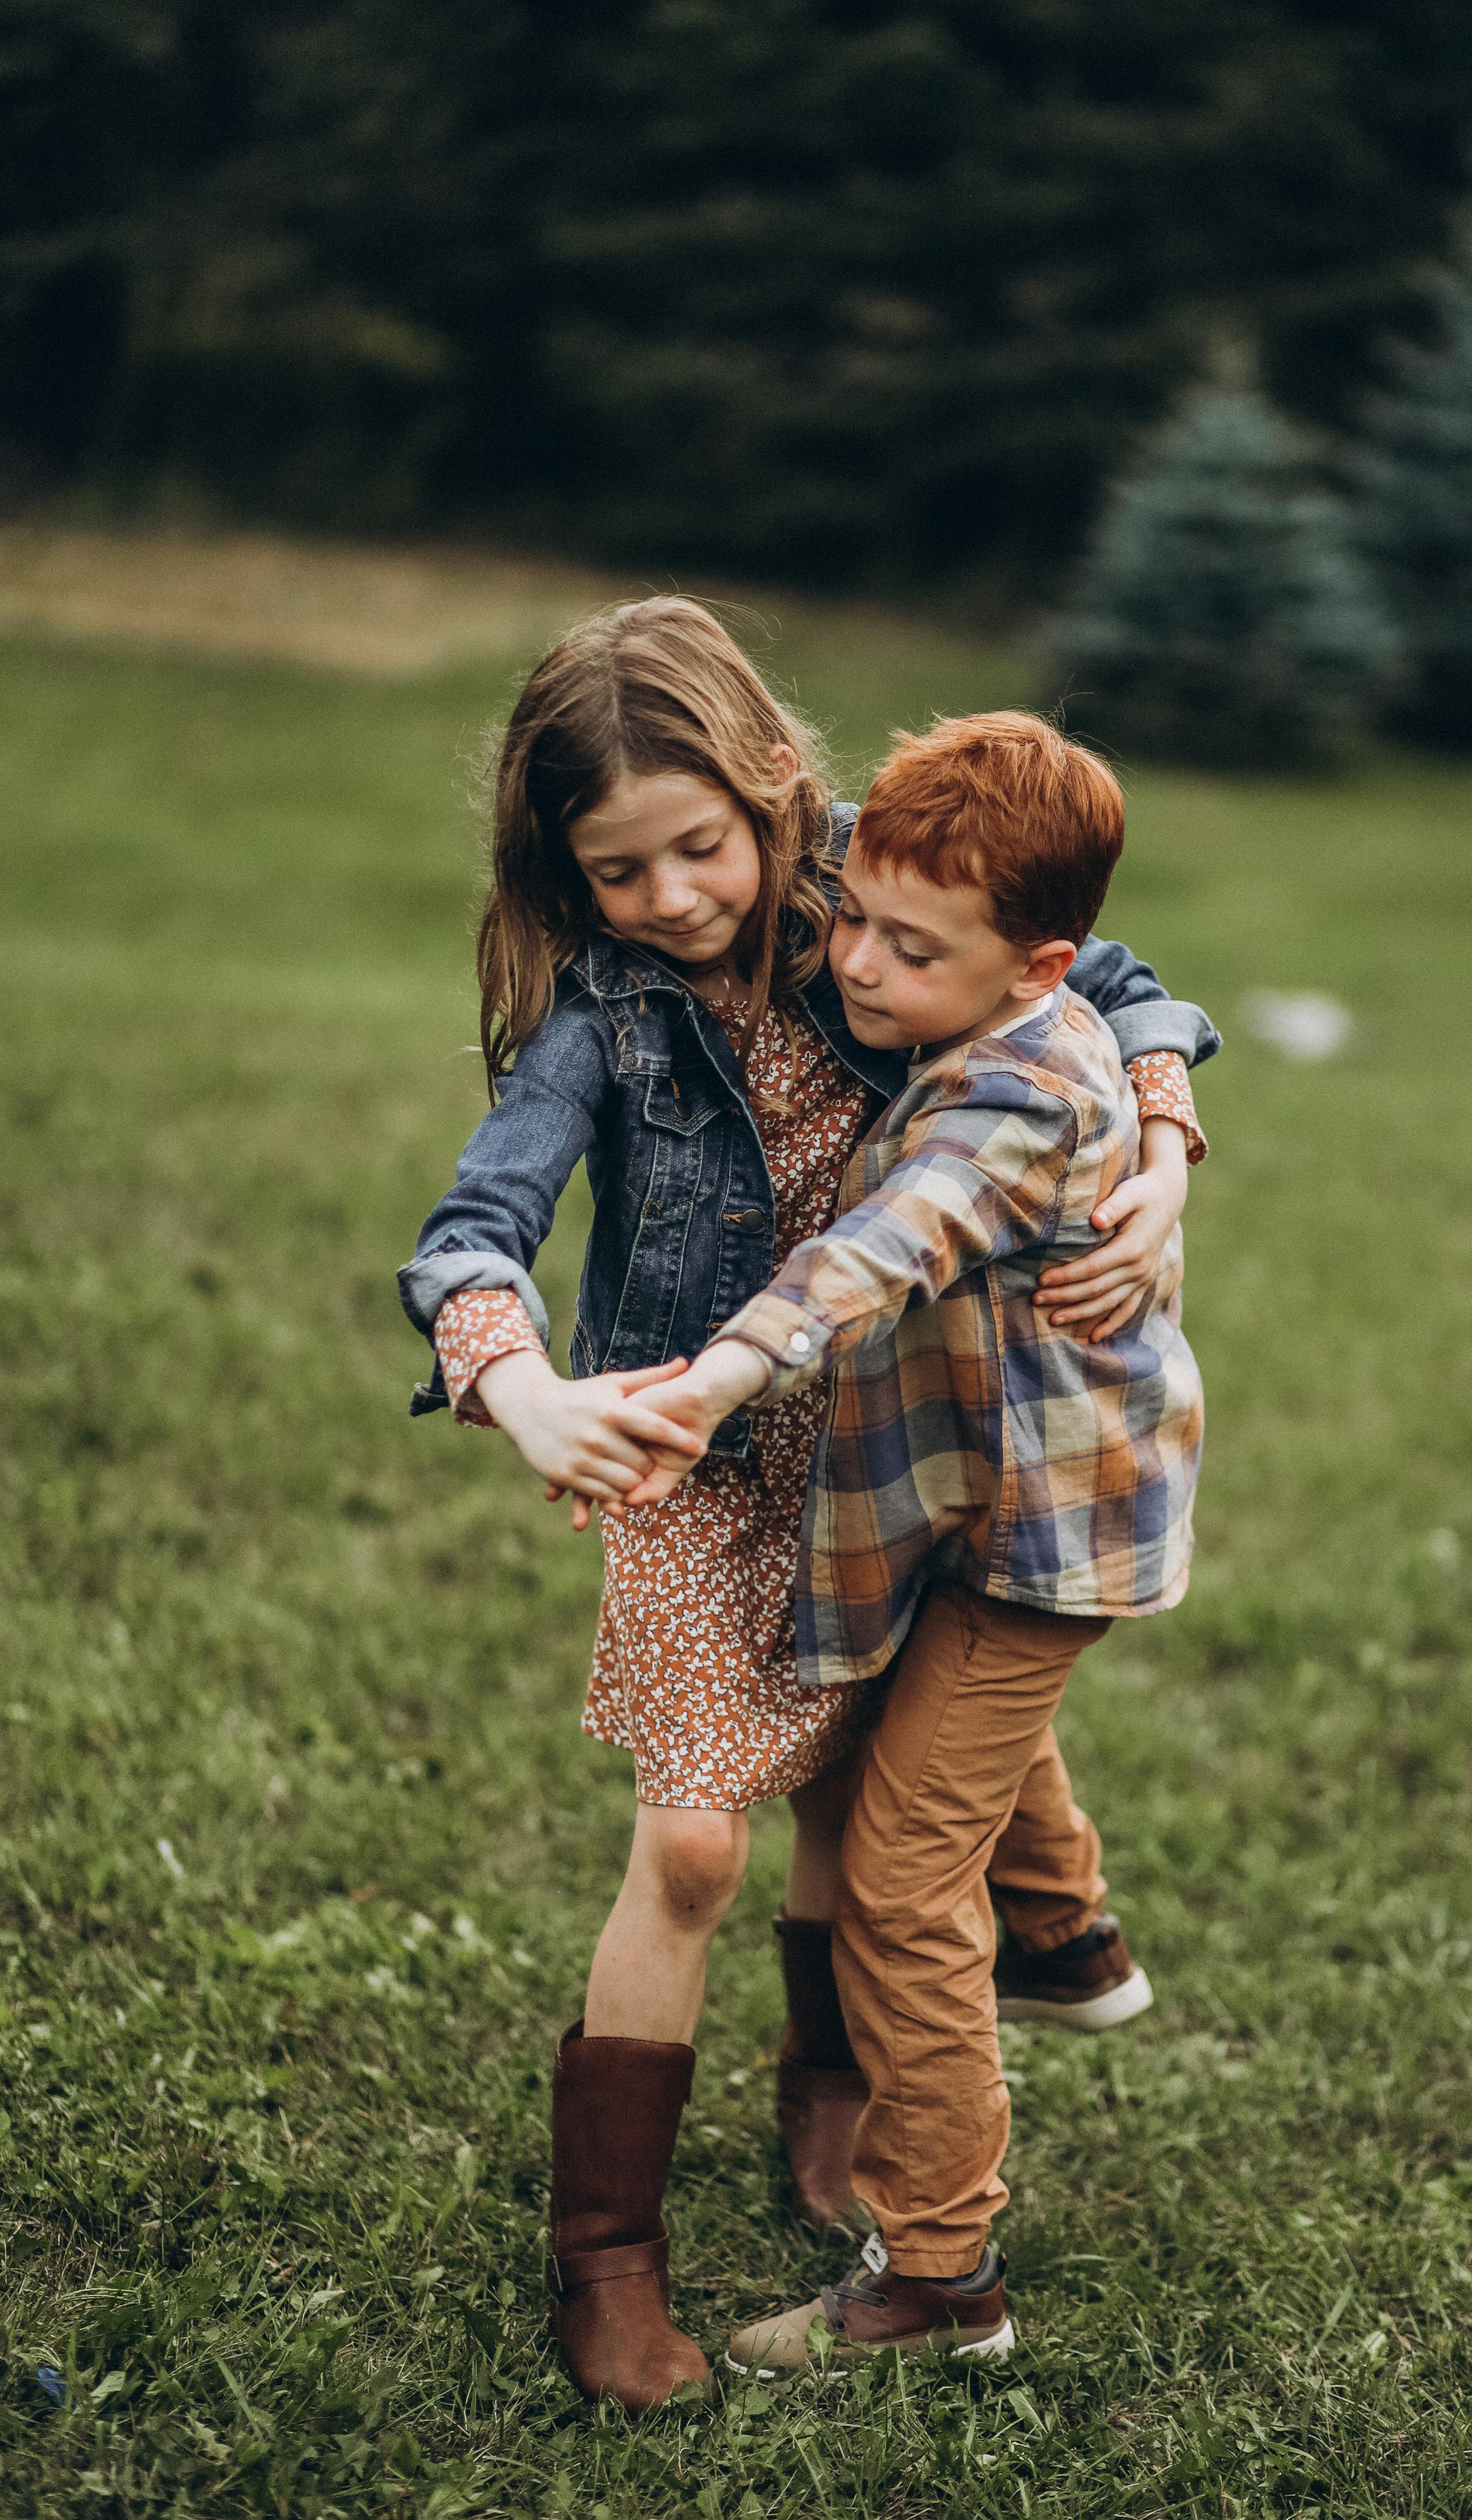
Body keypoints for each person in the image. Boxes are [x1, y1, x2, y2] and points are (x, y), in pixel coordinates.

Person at [397, 603, 1218, 2409]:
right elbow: (472, 1233)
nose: (681, 895)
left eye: (705, 846)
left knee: (855, 1803)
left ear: (775, 796)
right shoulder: (593, 1022)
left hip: (888, 1451)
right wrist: (523, 1384)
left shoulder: (878, 890)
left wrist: (1162, 1153)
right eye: (621, 870)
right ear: (564, 871)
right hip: (696, 1447)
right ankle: (608, 2252)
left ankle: (832, 2096)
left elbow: (1109, 980)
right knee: (694, 1843)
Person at [617, 712, 1206, 2374]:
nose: (855, 967)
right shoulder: (1002, 997)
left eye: (906, 947)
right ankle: (1069, 1937)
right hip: (981, 1495)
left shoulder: (1016, 1087)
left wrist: (718, 1370)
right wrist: (1170, 1136)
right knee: (925, 1723)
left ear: (1040, 963)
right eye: (852, 920)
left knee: (893, 1879)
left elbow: (888, 1240)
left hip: (1035, 1539)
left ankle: (940, 2278)